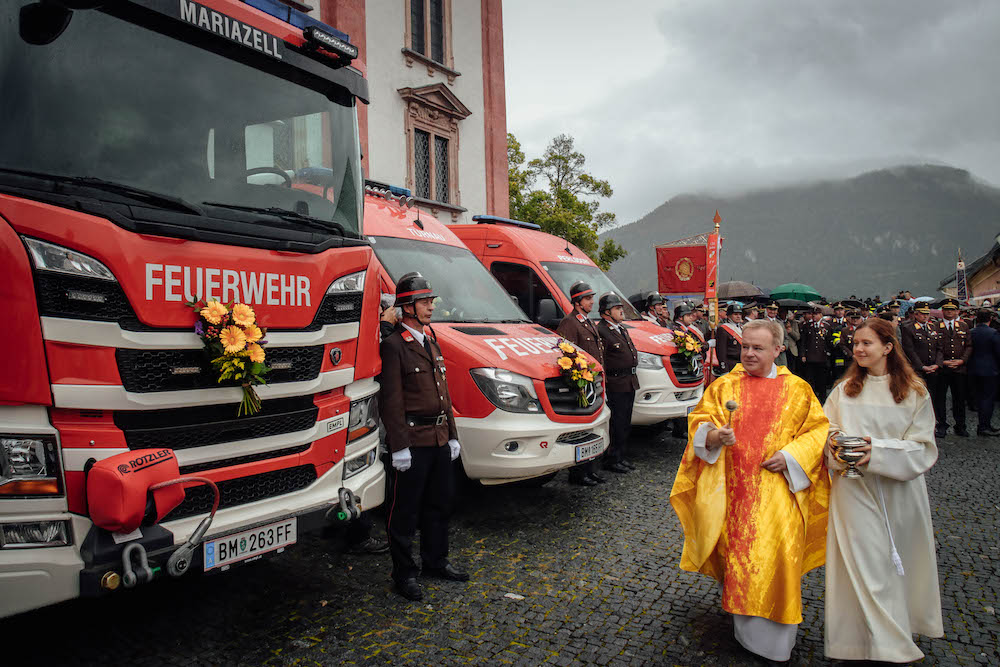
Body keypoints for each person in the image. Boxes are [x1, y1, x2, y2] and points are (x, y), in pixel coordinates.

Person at [670, 319, 830, 664]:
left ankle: (778, 636)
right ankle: (748, 635)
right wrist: (715, 437)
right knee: (740, 559)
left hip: (778, 492)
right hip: (734, 491)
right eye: (745, 346)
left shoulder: (798, 389)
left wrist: (790, 456)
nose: (749, 353)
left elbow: (817, 431)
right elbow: (700, 423)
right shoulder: (725, 386)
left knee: (779, 557)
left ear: (778, 350)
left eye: (758, 348)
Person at [822, 317, 943, 663]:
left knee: (895, 563)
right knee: (865, 563)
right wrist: (836, 445)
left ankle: (890, 632)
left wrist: (876, 451)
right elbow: (825, 429)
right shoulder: (843, 391)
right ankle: (874, 642)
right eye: (855, 344)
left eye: (866, 343)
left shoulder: (914, 391)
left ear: (888, 347)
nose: (858, 349)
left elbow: (922, 447)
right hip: (852, 490)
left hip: (898, 491)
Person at [380, 273, 468, 601]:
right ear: (406, 307)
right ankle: (404, 573)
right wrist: (399, 446)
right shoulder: (393, 346)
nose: (431, 306)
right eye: (424, 301)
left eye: (431, 301)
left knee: (440, 504)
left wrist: (453, 435)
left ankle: (435, 561)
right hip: (413, 442)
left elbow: (443, 393)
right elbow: (391, 400)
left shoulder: (431, 341)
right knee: (404, 512)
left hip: (440, 437)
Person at [557, 281, 606, 486]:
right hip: (581, 385)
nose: (592, 302)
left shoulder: (585, 321)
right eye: (588, 299)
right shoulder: (570, 322)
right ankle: (578, 474)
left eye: (591, 298)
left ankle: (590, 469)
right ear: (577, 302)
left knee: (593, 426)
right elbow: (565, 353)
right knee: (582, 429)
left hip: (592, 382)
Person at [597, 292, 638, 473]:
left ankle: (621, 456)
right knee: (617, 423)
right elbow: (602, 359)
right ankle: (612, 459)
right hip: (616, 382)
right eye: (617, 308)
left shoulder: (621, 328)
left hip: (629, 381)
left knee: (625, 422)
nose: (621, 311)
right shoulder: (602, 331)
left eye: (620, 307)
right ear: (606, 312)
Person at [901, 303, 942, 434]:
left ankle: (932, 423)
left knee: (933, 397)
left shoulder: (933, 326)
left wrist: (937, 364)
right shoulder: (908, 328)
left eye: (927, 314)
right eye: (922, 314)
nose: (925, 316)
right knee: (917, 398)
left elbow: (939, 348)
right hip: (918, 369)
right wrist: (922, 366)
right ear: (916, 314)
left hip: (933, 368)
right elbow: (909, 350)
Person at [933, 298, 971, 437]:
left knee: (959, 398)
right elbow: (935, 348)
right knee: (940, 399)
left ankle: (960, 425)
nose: (950, 312)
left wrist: (962, 360)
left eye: (952, 310)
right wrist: (943, 362)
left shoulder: (964, 326)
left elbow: (968, 346)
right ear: (942, 311)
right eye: (947, 310)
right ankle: (941, 425)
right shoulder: (935, 326)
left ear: (957, 311)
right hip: (942, 369)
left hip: (959, 368)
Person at [968, 309, 1000, 435]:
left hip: (973, 369)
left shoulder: (971, 332)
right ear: (990, 319)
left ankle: (984, 425)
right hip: (990, 370)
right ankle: (984, 426)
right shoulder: (993, 333)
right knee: (987, 399)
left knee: (979, 398)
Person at [800, 306, 832, 402]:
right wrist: (803, 355)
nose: (814, 316)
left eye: (816, 314)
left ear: (821, 315)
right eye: (813, 314)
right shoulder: (807, 326)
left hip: (822, 356)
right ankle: (811, 397)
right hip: (810, 356)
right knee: (810, 378)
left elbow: (829, 341)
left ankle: (822, 397)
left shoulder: (826, 326)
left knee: (822, 378)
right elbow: (803, 342)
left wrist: (828, 353)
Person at [714, 304, 743, 376]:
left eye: (739, 314)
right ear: (729, 316)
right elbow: (721, 352)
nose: (738, 316)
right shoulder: (723, 329)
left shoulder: (742, 328)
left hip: (742, 364)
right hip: (731, 365)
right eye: (735, 314)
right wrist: (724, 369)